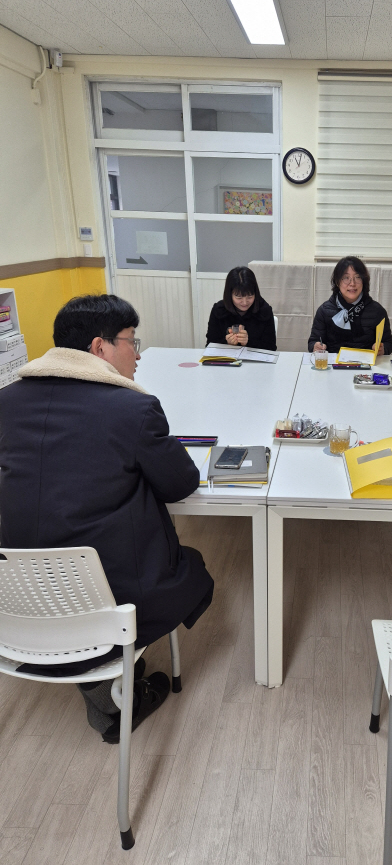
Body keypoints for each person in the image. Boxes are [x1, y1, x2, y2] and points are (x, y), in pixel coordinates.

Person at [0, 294, 214, 742]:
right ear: (99, 348)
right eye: (131, 342)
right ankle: (112, 701)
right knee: (194, 568)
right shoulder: (131, 410)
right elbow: (180, 484)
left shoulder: (6, 402)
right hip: (107, 604)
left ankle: (103, 688)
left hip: (15, 603)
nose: (137, 355)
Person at [308, 256, 392, 355]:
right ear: (337, 281)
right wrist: (316, 346)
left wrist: (382, 349)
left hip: (365, 366)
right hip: (333, 366)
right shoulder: (324, 310)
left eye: (357, 277)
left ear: (364, 281)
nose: (352, 283)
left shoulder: (377, 311)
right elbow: (312, 342)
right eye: (346, 278)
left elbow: (388, 343)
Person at [206, 266, 277, 350]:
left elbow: (271, 347)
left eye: (250, 296)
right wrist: (227, 342)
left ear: (255, 293)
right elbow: (210, 345)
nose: (244, 302)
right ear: (229, 295)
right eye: (239, 297)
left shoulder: (264, 311)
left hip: (254, 362)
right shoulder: (219, 310)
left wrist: (248, 342)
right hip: (226, 361)